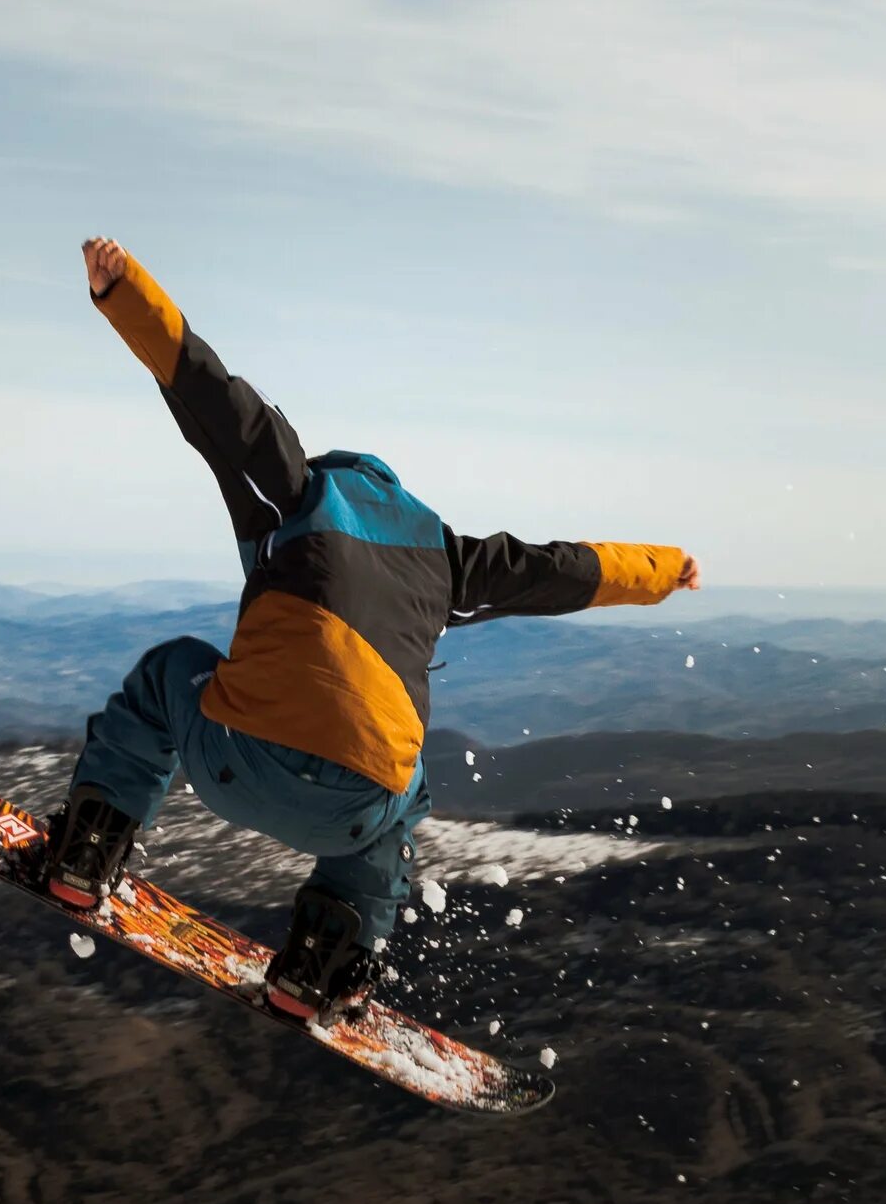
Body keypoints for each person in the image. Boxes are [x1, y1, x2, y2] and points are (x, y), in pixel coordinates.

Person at [43, 236, 699, 1020]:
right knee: (408, 787)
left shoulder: (296, 491)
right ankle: (325, 959)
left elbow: (216, 403)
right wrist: (664, 570)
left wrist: (125, 292)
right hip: (353, 809)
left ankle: (90, 849)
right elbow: (558, 570)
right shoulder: (444, 559)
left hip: (236, 763)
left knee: (169, 670)